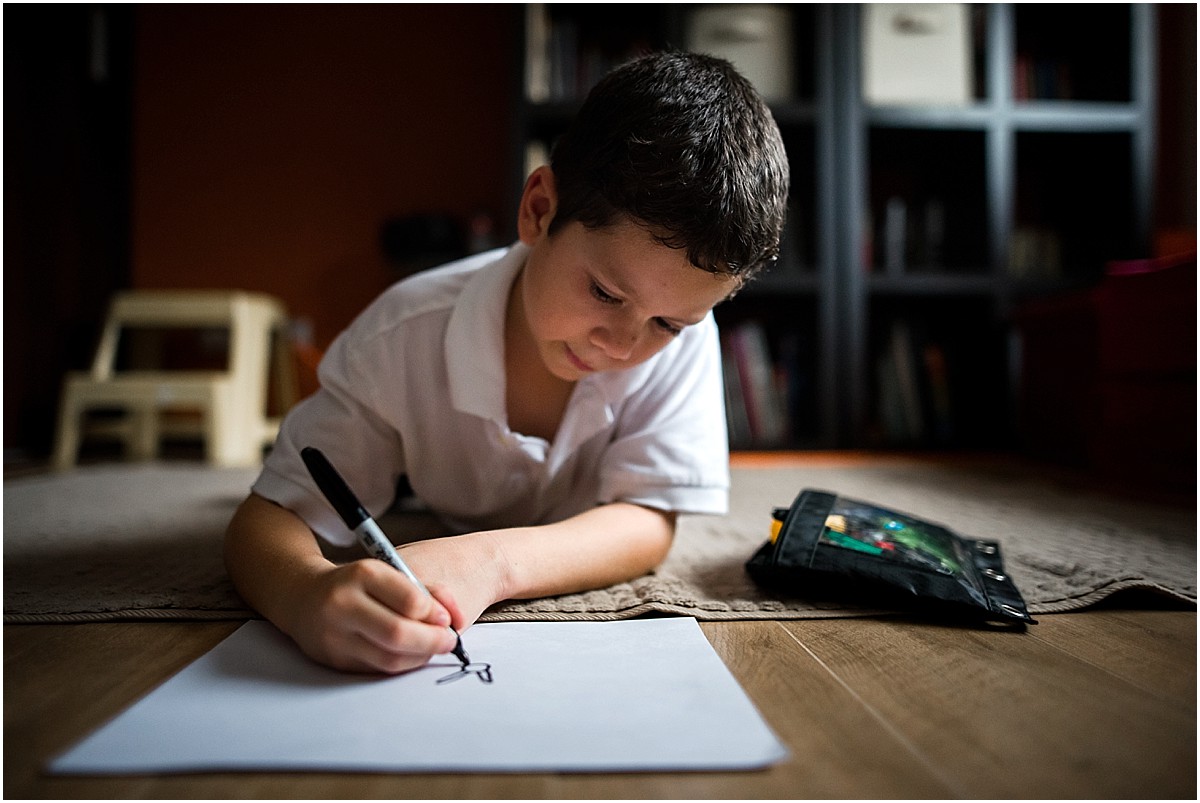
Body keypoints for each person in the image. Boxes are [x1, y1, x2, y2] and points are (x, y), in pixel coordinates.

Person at [224, 50, 790, 674]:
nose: (623, 346)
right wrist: (304, 595)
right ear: (539, 210)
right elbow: (268, 517)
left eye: (666, 324)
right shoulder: (402, 335)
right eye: (604, 293)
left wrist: (489, 563)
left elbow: (649, 519)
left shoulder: (685, 337)